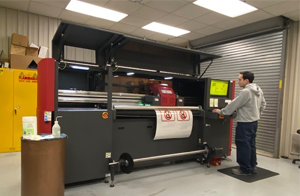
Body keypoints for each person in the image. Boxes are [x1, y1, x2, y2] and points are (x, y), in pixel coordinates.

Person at [212, 71, 266, 175]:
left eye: (240, 79)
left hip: (244, 123)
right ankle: (252, 166)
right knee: (251, 145)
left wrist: (221, 111)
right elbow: (263, 104)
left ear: (246, 80)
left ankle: (245, 169)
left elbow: (233, 104)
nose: (237, 82)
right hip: (254, 122)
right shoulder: (258, 90)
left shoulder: (246, 92)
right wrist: (256, 114)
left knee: (243, 145)